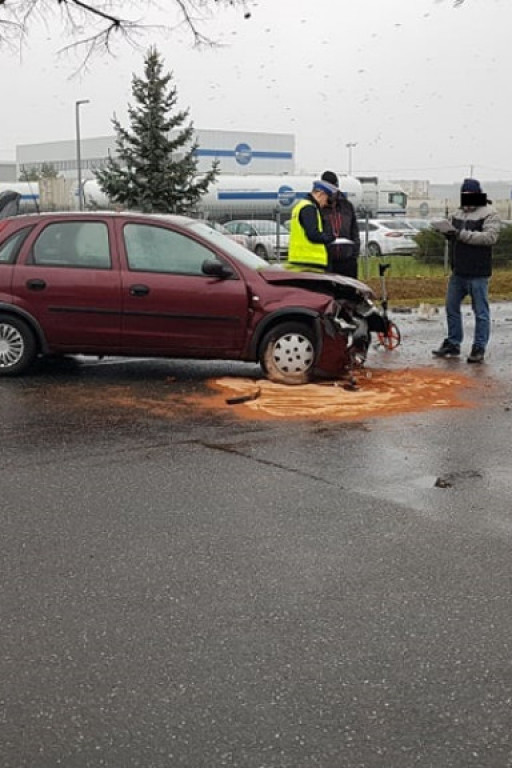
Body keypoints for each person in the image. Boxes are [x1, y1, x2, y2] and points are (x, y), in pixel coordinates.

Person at [432, 178, 501, 364]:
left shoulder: (490, 213)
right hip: (459, 271)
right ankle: (453, 343)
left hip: (478, 272)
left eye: (471, 195)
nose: (467, 199)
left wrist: (460, 235)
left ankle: (479, 347)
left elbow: (490, 237)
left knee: (481, 312)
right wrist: (446, 233)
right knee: (451, 307)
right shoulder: (457, 213)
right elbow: (453, 234)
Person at [286, 179, 338, 272]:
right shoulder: (309, 208)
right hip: (311, 262)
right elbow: (313, 234)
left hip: (299, 259)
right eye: (327, 198)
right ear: (320, 194)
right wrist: (330, 237)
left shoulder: (300, 206)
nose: (326, 203)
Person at [320, 170, 361, 279]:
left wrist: (354, 255)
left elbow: (354, 232)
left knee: (349, 294)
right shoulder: (318, 208)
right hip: (327, 263)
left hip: (348, 262)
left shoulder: (347, 206)